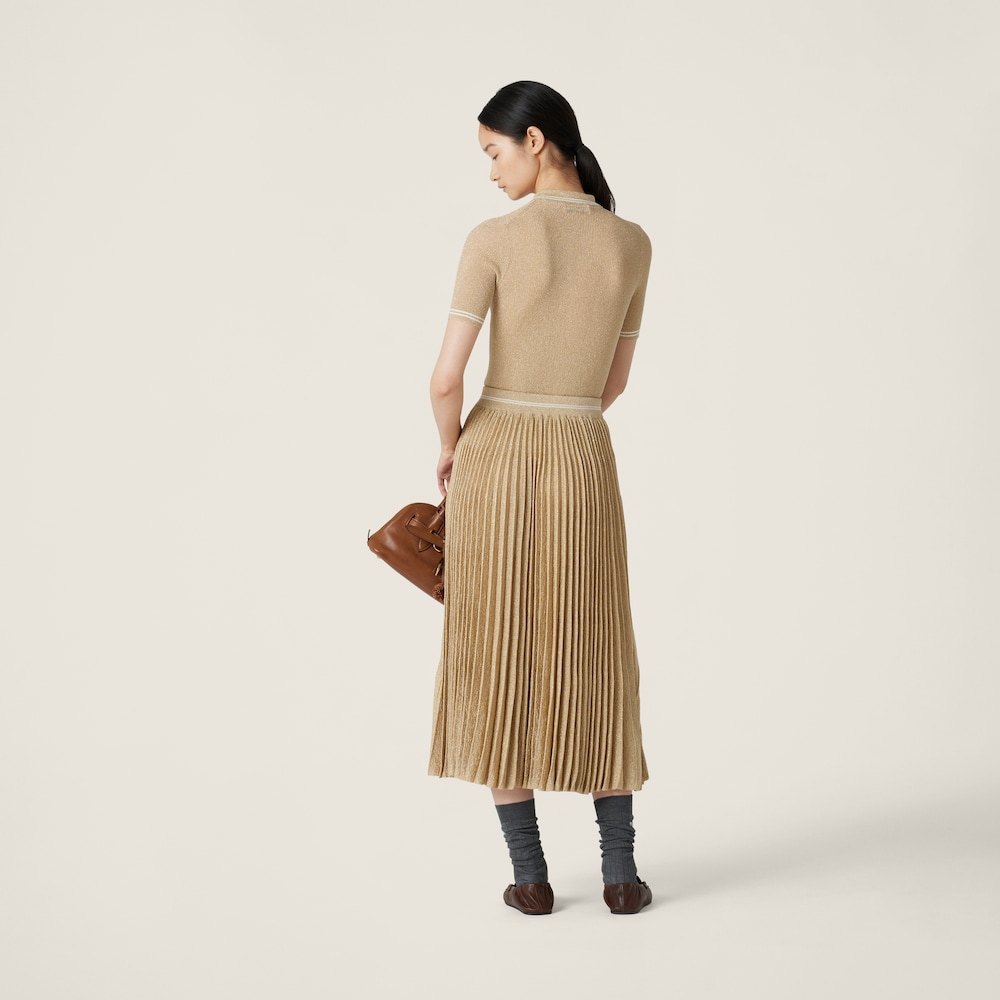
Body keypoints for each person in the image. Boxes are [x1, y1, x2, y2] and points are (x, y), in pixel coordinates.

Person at [427, 81, 653, 916]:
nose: (490, 171)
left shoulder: (493, 240)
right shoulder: (631, 243)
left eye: (493, 151)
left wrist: (450, 448)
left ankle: (530, 879)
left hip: (494, 452)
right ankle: (620, 875)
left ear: (535, 140)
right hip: (582, 455)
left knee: (495, 653)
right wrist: (563, 423)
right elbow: (612, 384)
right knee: (595, 649)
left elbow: (445, 379)